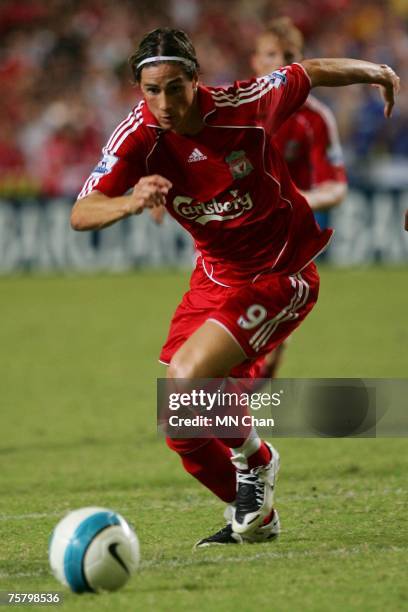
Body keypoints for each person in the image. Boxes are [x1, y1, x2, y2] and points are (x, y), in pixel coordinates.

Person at [71, 28, 399, 547]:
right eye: (150, 90)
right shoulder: (136, 136)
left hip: (280, 273)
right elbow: (81, 212)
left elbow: (308, 71)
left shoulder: (247, 103)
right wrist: (131, 202)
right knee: (182, 427)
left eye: (174, 87)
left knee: (187, 378)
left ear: (196, 80)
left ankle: (258, 458)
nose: (163, 103)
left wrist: (377, 71)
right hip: (213, 277)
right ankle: (256, 517)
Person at [251, 17, 348, 379]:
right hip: (229, 235)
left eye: (288, 55)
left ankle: (232, 417)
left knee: (261, 342)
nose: (279, 62)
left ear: (301, 63)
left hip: (286, 241)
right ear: (255, 61)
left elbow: (336, 186)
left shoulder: (315, 119)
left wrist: (296, 199)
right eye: (270, 54)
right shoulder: (232, 110)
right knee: (228, 331)